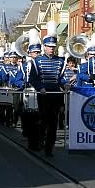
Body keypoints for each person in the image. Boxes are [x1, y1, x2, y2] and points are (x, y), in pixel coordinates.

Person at [28, 21, 66, 157]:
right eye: (49, 46)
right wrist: (40, 87)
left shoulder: (60, 61)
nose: (51, 49)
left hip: (55, 96)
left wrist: (65, 85)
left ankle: (49, 148)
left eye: (53, 47)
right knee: (43, 121)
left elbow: (61, 79)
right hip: (43, 95)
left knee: (54, 123)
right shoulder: (37, 61)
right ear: (44, 47)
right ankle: (39, 142)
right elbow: (32, 78)